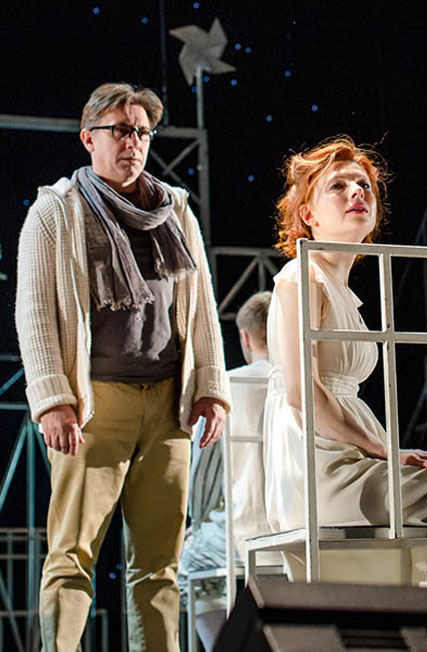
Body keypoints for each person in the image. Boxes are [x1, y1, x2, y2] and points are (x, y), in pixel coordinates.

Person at [15, 82, 230, 651]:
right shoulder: (56, 210)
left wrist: (211, 386)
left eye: (141, 131)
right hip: (94, 402)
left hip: (168, 402)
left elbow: (201, 303)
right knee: (71, 555)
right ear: (89, 138)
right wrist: (53, 398)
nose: (133, 142)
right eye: (120, 130)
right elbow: (33, 311)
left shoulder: (174, 209)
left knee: (160, 565)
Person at [264, 135, 427, 583]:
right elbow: (303, 395)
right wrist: (387, 451)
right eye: (338, 186)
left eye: (363, 185)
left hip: (354, 456)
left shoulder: (345, 293)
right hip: (321, 468)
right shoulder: (302, 275)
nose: (356, 192)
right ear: (308, 215)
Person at [178, 291, 277, 651]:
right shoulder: (304, 385)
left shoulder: (228, 388)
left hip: (242, 530)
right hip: (295, 526)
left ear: (245, 338)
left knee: (188, 561)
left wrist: (198, 522)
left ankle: (222, 645)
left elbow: (204, 476)